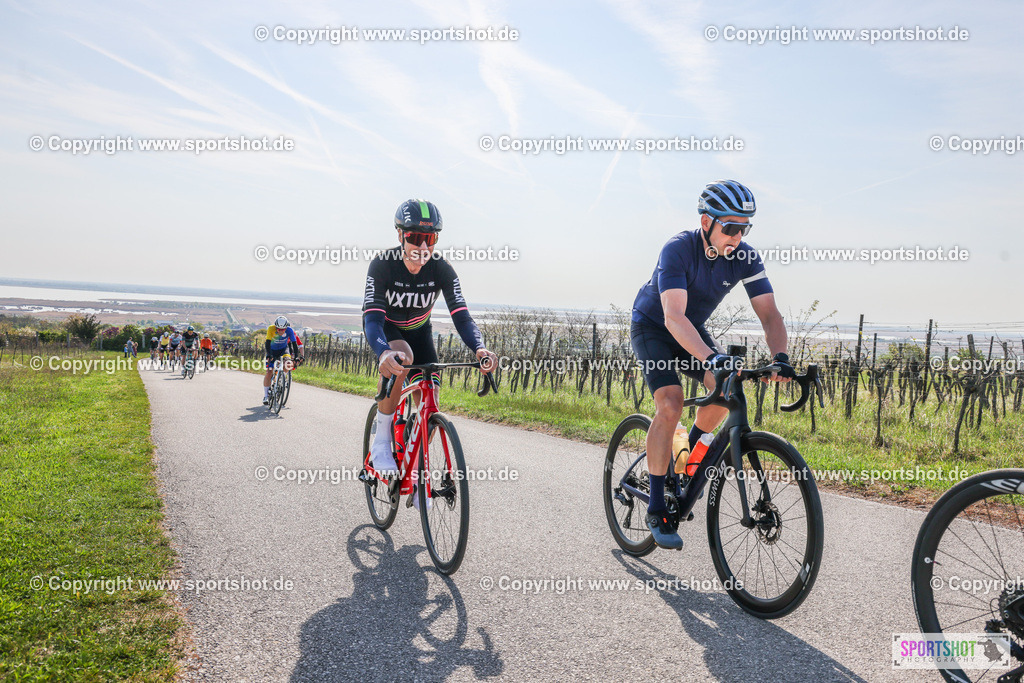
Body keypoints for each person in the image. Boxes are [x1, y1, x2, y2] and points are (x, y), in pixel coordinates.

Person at [630, 180, 793, 550]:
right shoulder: (678, 249)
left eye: (744, 228)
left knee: (723, 393)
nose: (737, 236)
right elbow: (673, 317)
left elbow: (769, 314)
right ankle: (657, 507)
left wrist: (780, 358)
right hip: (655, 326)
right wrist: (712, 356)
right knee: (670, 403)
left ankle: (686, 458)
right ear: (707, 222)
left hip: (691, 329)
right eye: (730, 227)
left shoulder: (746, 257)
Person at [362, 199, 497, 477]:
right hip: (389, 330)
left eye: (430, 238)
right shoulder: (382, 265)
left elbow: (462, 316)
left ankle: (412, 463)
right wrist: (383, 352)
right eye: (415, 237)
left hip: (421, 332)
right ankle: (381, 442)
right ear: (400, 235)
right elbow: (372, 319)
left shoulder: (442, 269)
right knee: (402, 356)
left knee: (431, 401)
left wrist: (480, 348)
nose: (423, 247)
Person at [263, 316, 304, 404]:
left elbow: (294, 343)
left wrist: (296, 356)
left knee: (288, 363)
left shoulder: (289, 330)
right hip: (272, 351)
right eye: (278, 329)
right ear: (275, 327)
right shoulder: (271, 329)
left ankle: (282, 377)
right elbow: (267, 342)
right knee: (269, 372)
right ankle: (266, 396)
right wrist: (269, 355)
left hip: (283, 350)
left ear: (286, 328)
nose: (281, 331)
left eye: (283, 329)